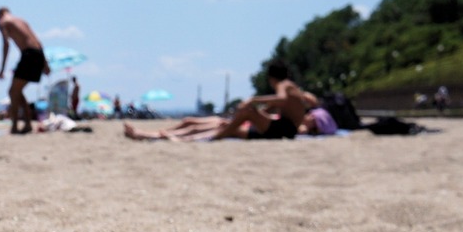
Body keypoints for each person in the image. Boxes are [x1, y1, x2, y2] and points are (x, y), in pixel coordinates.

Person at [122, 63, 322, 141]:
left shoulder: (285, 85)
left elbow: (281, 99)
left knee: (242, 115)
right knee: (195, 121)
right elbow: (286, 105)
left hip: (282, 130)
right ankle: (152, 135)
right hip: (280, 128)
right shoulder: (294, 89)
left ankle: (214, 137)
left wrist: (254, 100)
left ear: (272, 78)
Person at [0, 7, 47, 134]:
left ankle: (14, 126)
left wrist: (2, 68)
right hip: (38, 53)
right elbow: (39, 42)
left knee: (13, 91)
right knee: (17, 91)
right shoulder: (22, 21)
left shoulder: (3, 22)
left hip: (28, 54)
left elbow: (6, 44)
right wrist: (45, 64)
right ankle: (28, 124)